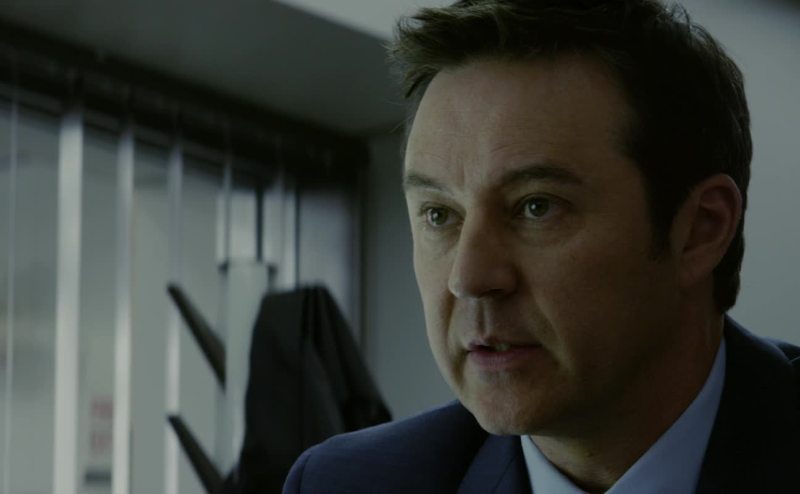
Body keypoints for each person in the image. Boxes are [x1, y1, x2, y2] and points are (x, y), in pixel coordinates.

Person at [284, 1, 800, 492]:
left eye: (536, 207)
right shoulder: (347, 484)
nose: (469, 278)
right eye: (439, 214)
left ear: (701, 230)